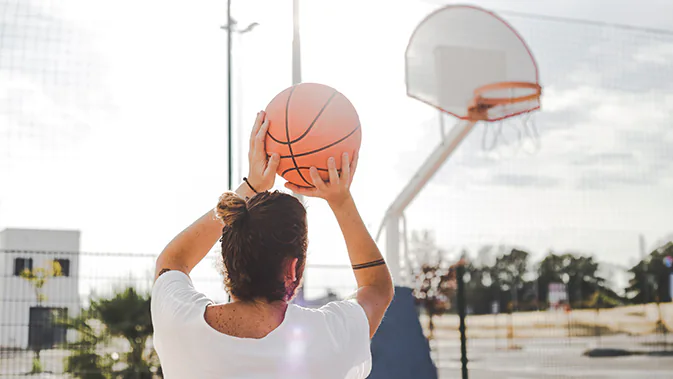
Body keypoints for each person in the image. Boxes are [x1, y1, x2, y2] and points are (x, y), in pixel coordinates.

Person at [151, 111, 394, 378]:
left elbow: (172, 261)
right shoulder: (329, 339)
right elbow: (377, 288)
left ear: (229, 258)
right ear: (292, 269)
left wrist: (250, 186)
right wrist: (341, 200)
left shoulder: (178, 324)